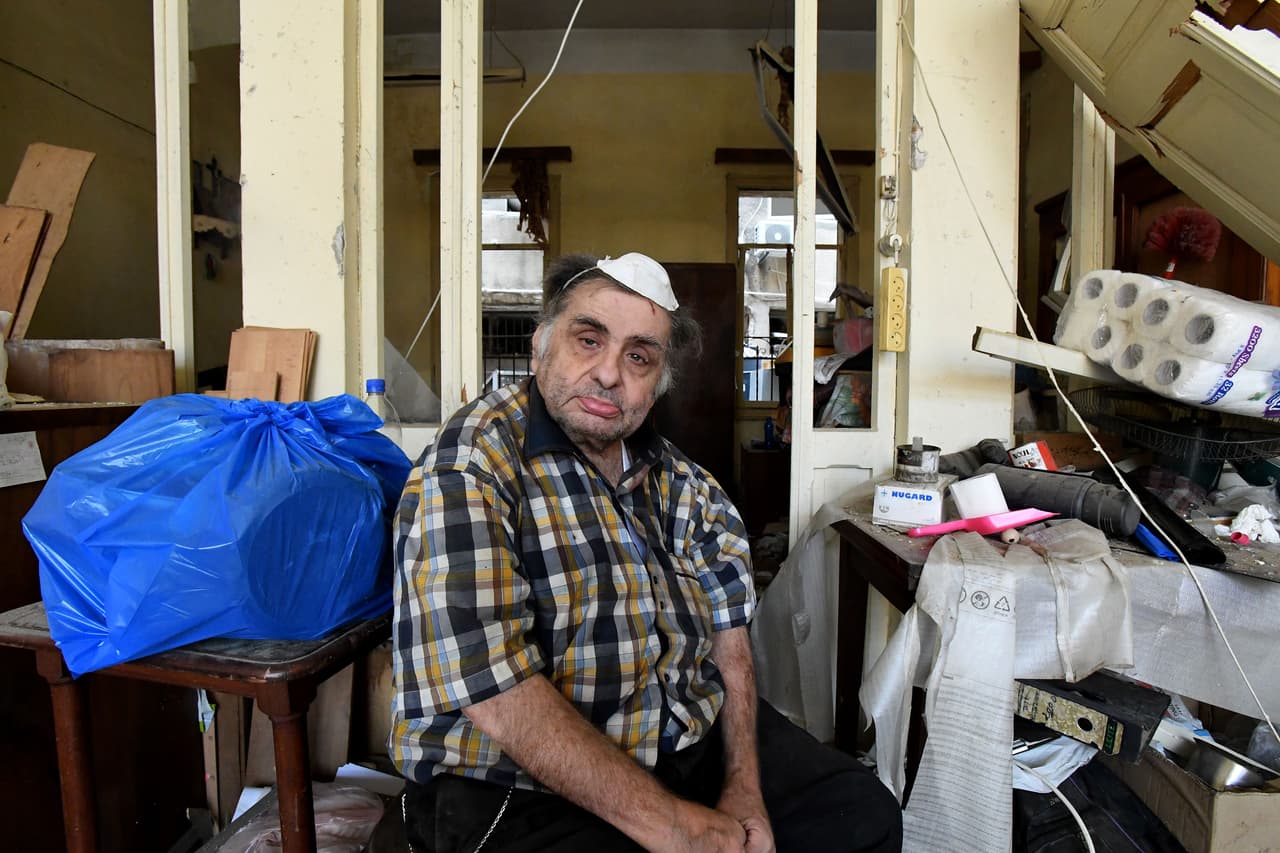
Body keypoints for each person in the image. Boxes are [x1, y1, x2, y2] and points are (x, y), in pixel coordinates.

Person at [391, 252, 902, 852]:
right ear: (540, 346)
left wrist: (742, 786)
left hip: (685, 741)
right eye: (588, 340)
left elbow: (730, 646)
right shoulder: (472, 464)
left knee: (862, 814)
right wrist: (672, 826)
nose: (610, 374)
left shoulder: (689, 487)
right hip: (516, 779)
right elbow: (493, 689)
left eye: (639, 357)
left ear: (657, 383)